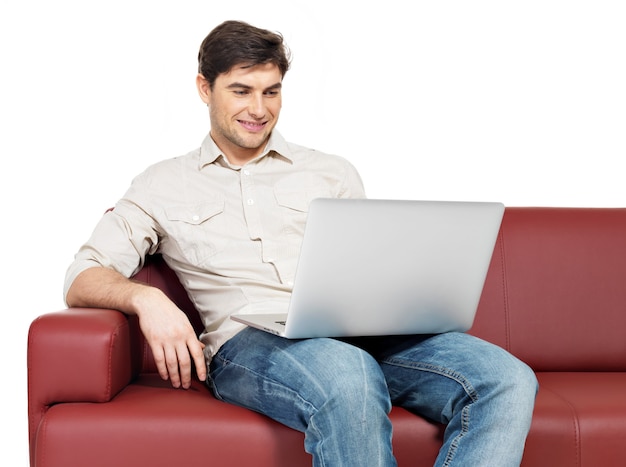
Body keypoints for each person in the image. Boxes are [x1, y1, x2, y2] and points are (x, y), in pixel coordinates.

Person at [64, 20, 538, 466]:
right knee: (346, 373)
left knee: (506, 378)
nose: (259, 109)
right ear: (205, 89)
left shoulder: (331, 172)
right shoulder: (161, 184)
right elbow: (82, 275)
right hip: (250, 345)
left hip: (361, 337)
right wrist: (146, 298)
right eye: (241, 91)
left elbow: (367, 268)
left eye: (272, 92)